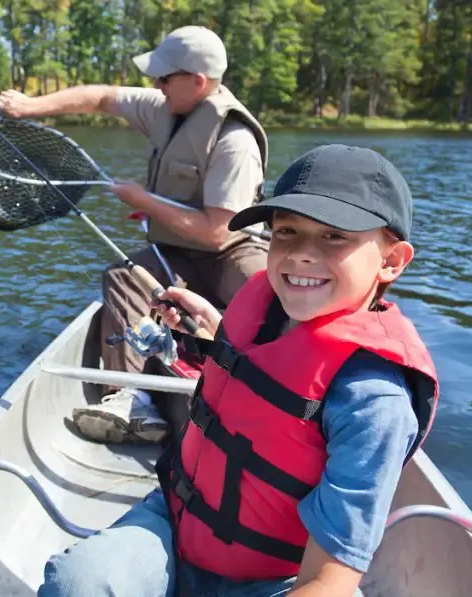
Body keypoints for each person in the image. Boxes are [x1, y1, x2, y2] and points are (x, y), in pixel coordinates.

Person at [36, 144, 440, 597]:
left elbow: (327, 583)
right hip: (176, 521)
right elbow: (256, 379)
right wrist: (214, 328)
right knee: (75, 585)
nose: (301, 254)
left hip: (274, 577)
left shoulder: (375, 404)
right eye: (286, 231)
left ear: (391, 261)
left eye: (333, 236)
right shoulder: (264, 309)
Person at [0, 26, 270, 445]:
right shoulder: (165, 107)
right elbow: (103, 97)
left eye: (164, 78)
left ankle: (284, 391)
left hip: (233, 248)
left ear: (197, 81)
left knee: (268, 293)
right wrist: (31, 107)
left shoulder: (235, 141)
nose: (155, 86)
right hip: (177, 251)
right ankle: (130, 397)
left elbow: (218, 232)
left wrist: (145, 199)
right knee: (124, 277)